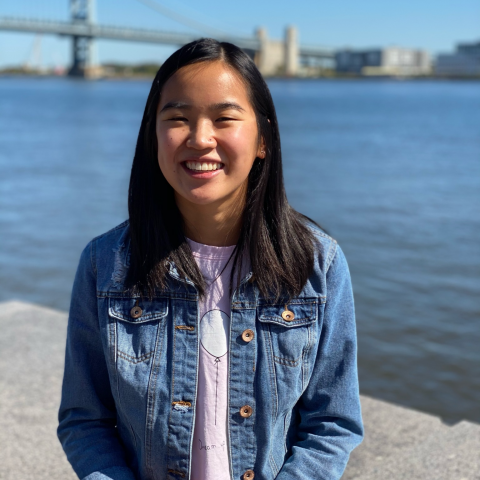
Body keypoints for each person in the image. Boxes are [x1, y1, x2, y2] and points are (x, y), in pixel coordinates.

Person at [57, 38, 363, 480]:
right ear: (153, 136)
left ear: (263, 139)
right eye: (178, 118)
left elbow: (332, 423)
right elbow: (86, 421)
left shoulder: (318, 264)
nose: (200, 139)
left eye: (224, 118)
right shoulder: (104, 265)